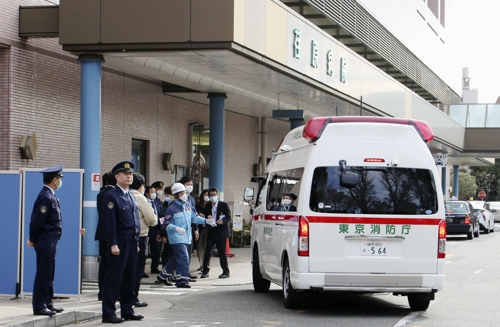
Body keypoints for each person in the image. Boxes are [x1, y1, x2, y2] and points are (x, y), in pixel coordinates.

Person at [101, 161, 143, 323]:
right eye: (125, 174)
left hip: (131, 242)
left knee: (129, 278)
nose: (129, 176)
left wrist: (136, 242)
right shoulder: (111, 195)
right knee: (114, 278)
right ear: (116, 176)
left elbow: (134, 220)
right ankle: (109, 313)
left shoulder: (130, 195)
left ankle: (127, 309)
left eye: (130, 174)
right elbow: (109, 221)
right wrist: (113, 242)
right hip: (119, 242)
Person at [157, 183, 213, 288]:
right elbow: (166, 224)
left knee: (176, 258)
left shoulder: (188, 205)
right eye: (182, 193)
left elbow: (194, 218)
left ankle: (163, 275)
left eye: (185, 192)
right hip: (176, 237)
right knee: (183, 258)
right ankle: (182, 280)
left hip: (187, 237)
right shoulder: (171, 209)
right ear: (176, 195)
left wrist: (205, 221)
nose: (184, 195)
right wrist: (176, 228)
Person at [27, 165, 65, 316]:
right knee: (43, 273)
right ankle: (39, 305)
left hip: (51, 240)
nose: (60, 181)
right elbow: (36, 221)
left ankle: (48, 301)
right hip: (45, 240)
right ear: (55, 180)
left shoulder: (51, 195)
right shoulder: (45, 196)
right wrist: (32, 238)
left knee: (49, 272)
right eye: (59, 178)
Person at [130, 173, 157, 308]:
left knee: (127, 268)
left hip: (126, 237)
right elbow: (152, 219)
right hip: (140, 236)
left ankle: (124, 295)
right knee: (137, 269)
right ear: (141, 186)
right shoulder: (140, 198)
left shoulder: (125, 195)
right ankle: (133, 297)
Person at [201, 187, 232, 279]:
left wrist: (223, 222)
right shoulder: (208, 205)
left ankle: (226, 271)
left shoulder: (223, 205)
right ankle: (205, 271)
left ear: (217, 195)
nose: (213, 197)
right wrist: (208, 217)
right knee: (207, 251)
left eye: (214, 195)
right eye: (211, 195)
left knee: (221, 252)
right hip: (211, 230)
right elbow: (206, 215)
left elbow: (228, 217)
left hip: (221, 231)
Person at [95, 171, 116, 301]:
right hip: (112, 233)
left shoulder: (100, 194)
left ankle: (101, 291)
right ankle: (110, 291)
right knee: (112, 264)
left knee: (103, 263)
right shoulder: (113, 194)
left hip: (102, 232)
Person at [177, 176, 199, 280]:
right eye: (188, 184)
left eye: (191, 184)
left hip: (189, 230)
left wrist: (196, 229)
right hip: (179, 231)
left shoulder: (191, 199)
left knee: (188, 253)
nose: (190, 186)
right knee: (181, 255)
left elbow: (194, 216)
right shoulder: (177, 199)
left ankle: (186, 273)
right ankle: (177, 274)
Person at [144, 185, 162, 274]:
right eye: (152, 192)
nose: (154, 194)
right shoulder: (144, 202)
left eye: (154, 192)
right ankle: (141, 269)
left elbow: (160, 213)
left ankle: (154, 267)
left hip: (155, 228)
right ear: (147, 193)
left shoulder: (156, 202)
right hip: (147, 228)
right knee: (144, 249)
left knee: (156, 248)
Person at [195, 189, 209, 271]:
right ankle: (201, 264)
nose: (206, 196)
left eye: (208, 195)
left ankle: (205, 265)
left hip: (207, 227)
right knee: (200, 247)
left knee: (206, 247)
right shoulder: (198, 204)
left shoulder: (210, 205)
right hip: (200, 228)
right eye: (205, 194)